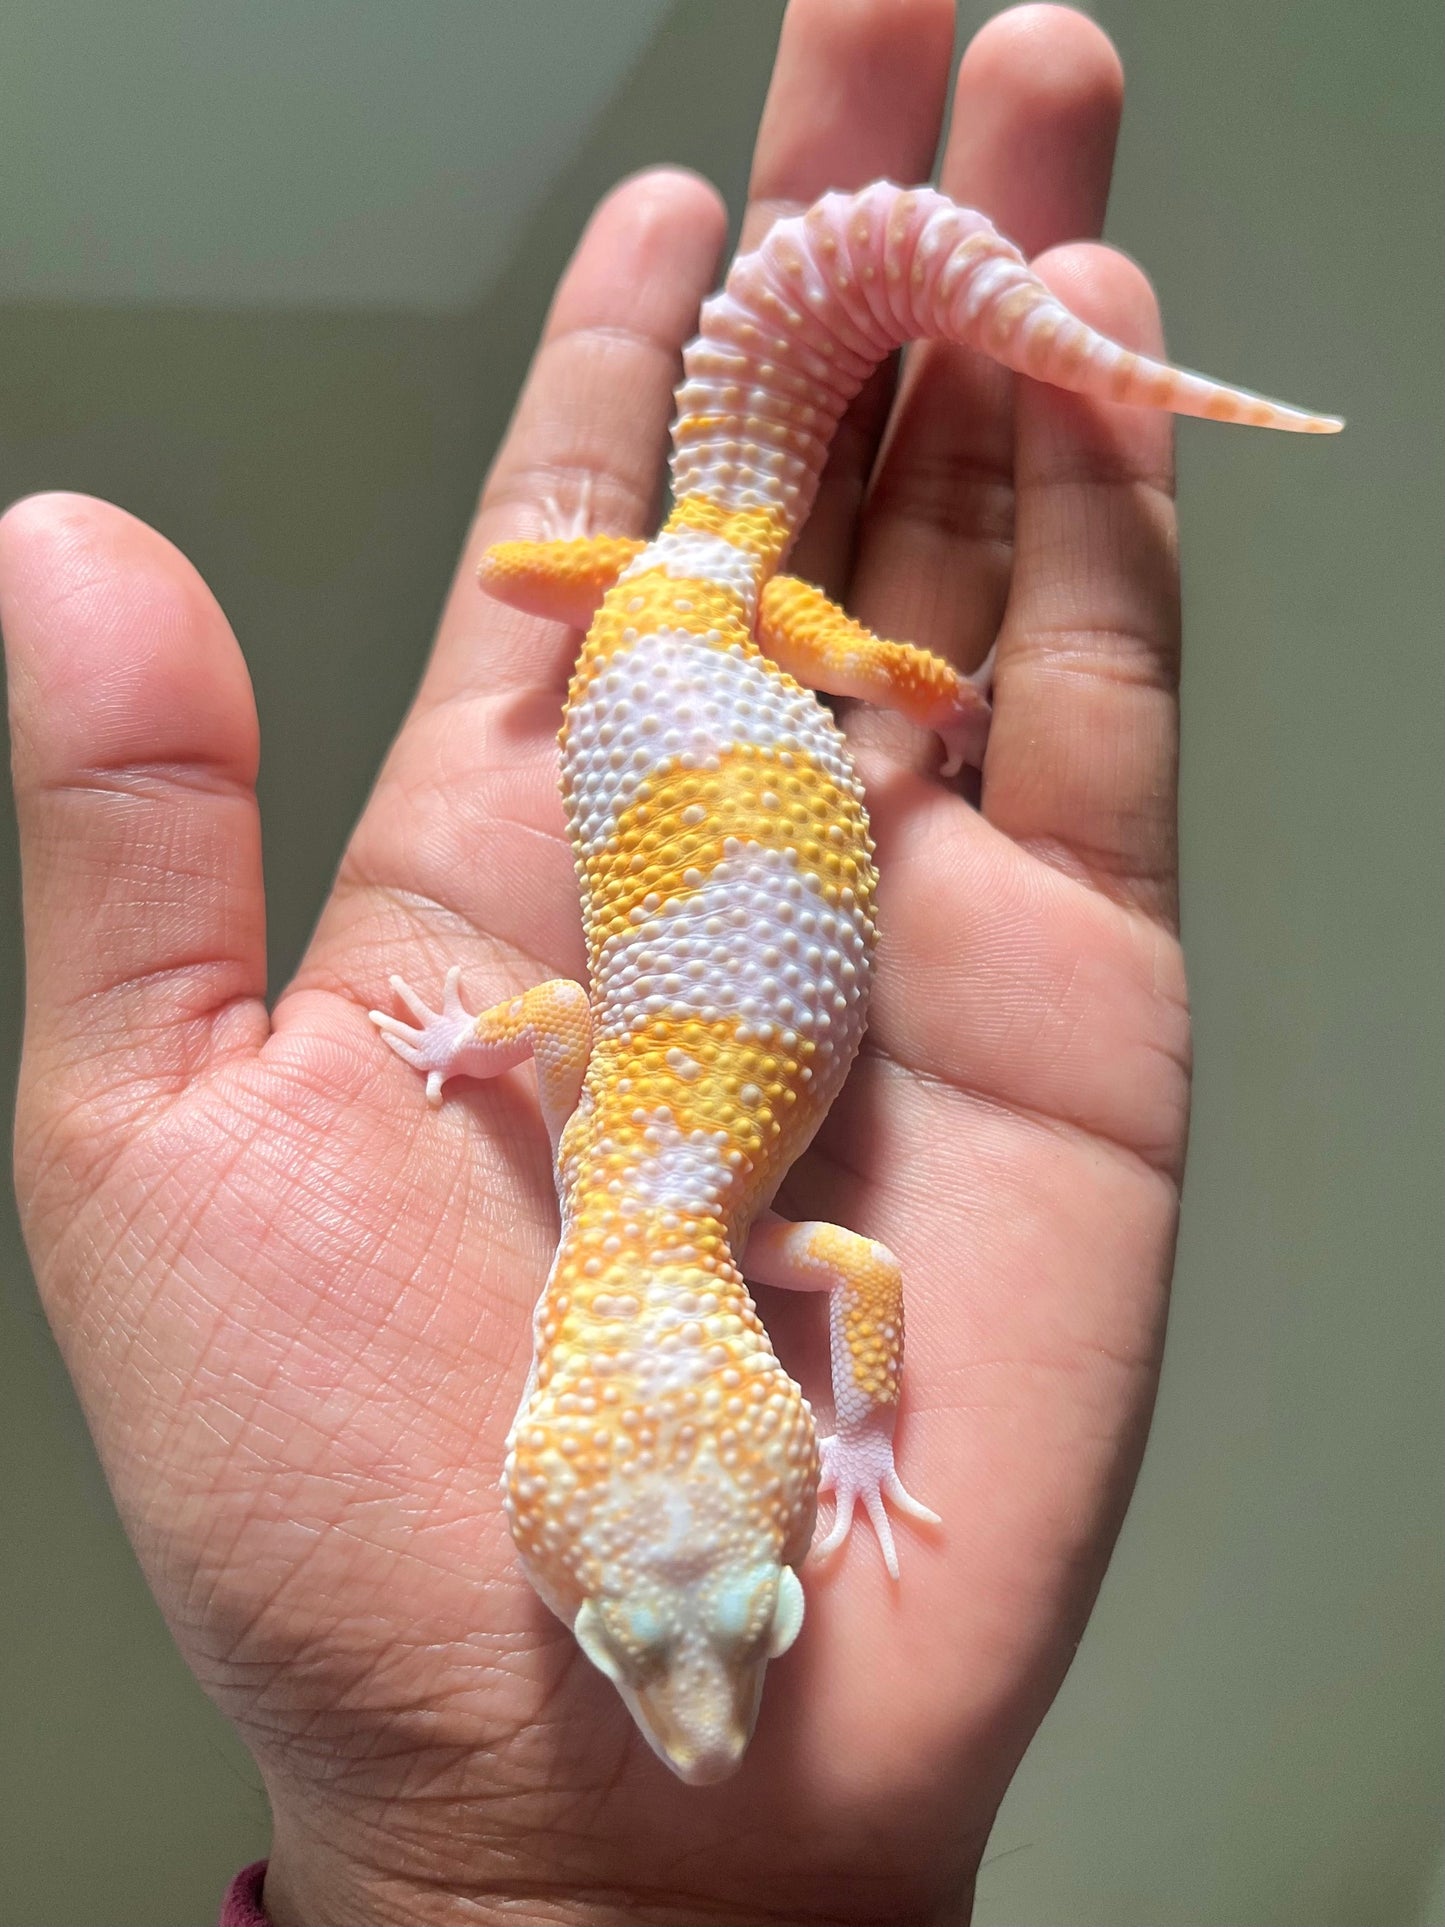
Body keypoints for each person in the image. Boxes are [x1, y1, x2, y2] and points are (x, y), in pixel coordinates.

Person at [2, 3, 1198, 1920]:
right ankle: (893, 620)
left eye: (647, 1632)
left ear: (550, 1454)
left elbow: (674, 1111)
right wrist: (486, 1044)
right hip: (684, 609)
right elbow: (588, 1044)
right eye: (741, 1612)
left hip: (695, 601)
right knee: (719, 617)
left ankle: (900, 630)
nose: (699, 1708)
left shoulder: (706, 1211)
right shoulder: (650, 1179)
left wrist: (912, 719)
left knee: (823, 633)